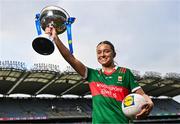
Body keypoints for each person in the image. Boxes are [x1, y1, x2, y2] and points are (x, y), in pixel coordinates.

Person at [45, 27, 154, 123]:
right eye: (99, 52)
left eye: (106, 51)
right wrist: (56, 39)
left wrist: (150, 103)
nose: (102, 54)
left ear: (114, 54)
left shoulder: (125, 73)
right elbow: (70, 58)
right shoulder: (93, 74)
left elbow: (142, 95)